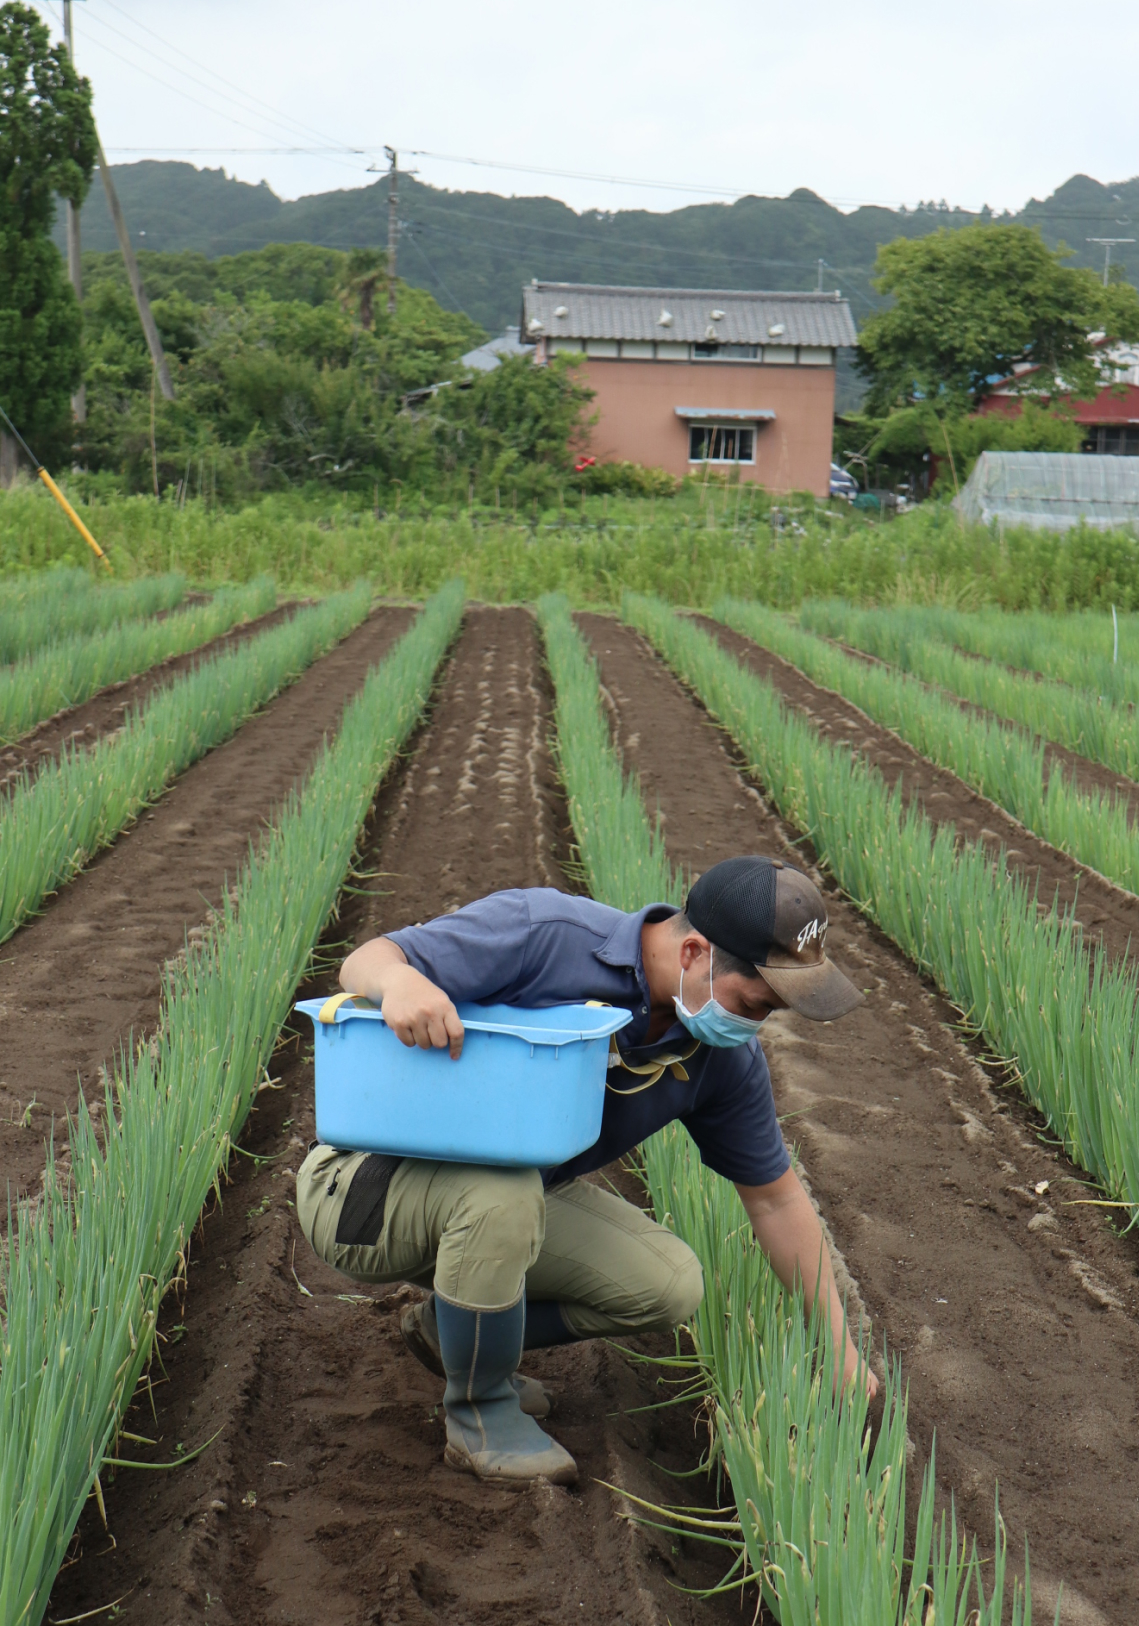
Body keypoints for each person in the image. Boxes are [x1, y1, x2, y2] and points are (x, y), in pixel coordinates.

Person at [296, 855, 874, 1488]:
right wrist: (401, 984)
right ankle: (482, 1416)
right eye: (752, 1002)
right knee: (504, 1187)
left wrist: (842, 1352)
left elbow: (775, 1202)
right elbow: (366, 961)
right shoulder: (547, 933)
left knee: (668, 1283)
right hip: (361, 1189)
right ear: (693, 952)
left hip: (496, 1203)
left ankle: (452, 1334)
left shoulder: (718, 1056)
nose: (753, 1024)